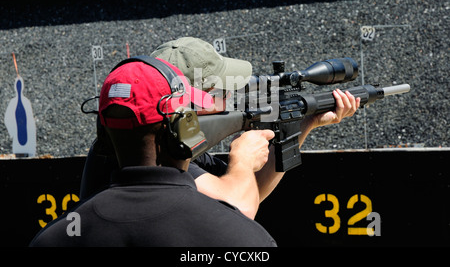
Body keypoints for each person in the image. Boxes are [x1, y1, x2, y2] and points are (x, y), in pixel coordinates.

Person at [80, 37, 360, 220]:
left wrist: (301, 125)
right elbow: (238, 207)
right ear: (192, 97)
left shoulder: (164, 139)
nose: (228, 95)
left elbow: (250, 192)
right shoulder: (156, 148)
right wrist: (242, 161)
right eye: (219, 89)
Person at [30, 57, 277, 247]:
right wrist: (242, 164)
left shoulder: (52, 238)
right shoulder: (243, 238)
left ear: (103, 134)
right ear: (183, 129)